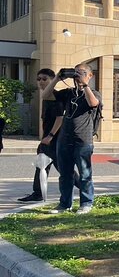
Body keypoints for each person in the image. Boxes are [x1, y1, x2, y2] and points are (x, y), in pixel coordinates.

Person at [42, 63, 102, 214]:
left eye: (82, 72)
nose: (78, 76)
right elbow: (45, 95)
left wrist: (85, 85)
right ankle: (64, 204)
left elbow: (93, 103)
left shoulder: (94, 92)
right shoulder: (69, 93)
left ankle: (86, 203)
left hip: (83, 140)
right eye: (76, 73)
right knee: (65, 175)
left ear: (90, 75)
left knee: (85, 174)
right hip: (64, 139)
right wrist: (57, 78)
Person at [19, 69, 81, 203]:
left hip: (55, 140)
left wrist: (50, 136)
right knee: (42, 165)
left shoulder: (54, 97)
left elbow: (60, 118)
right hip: (49, 139)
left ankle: (84, 187)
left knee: (63, 168)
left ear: (52, 80)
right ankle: (38, 192)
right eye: (39, 79)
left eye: (44, 79)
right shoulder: (47, 97)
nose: (41, 82)